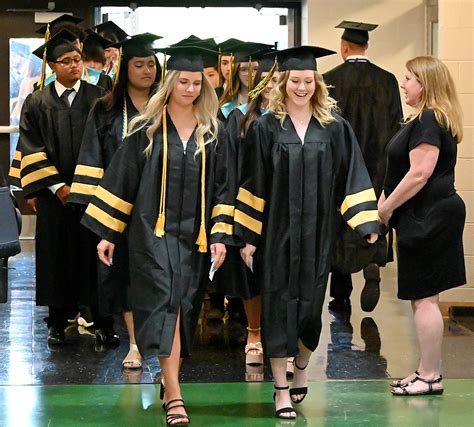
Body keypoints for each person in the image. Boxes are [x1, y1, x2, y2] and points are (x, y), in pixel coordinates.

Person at [81, 45, 234, 425]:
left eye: (197, 82)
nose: (190, 88)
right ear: (170, 82)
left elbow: (223, 188)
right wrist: (108, 233)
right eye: (183, 81)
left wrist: (219, 233)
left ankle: (170, 381)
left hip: (195, 237)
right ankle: (175, 396)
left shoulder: (213, 132)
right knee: (166, 300)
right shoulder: (146, 129)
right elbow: (122, 181)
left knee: (184, 305)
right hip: (152, 232)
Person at [235, 46, 379, 419]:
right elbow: (253, 183)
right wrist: (248, 238)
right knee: (278, 308)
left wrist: (366, 222)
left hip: (318, 235)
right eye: (295, 80)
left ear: (317, 83)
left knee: (311, 312)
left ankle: (300, 368)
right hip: (277, 235)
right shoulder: (266, 128)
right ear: (282, 83)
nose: (302, 87)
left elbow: (352, 174)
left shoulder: (334, 128)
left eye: (308, 80)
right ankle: (280, 389)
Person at [69, 33, 162, 367]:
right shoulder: (106, 109)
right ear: (125, 68)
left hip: (161, 205)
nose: (147, 70)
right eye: (139, 64)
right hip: (119, 206)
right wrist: (102, 215)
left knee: (160, 275)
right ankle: (135, 344)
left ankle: (164, 345)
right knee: (123, 276)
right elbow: (92, 156)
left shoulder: (168, 106)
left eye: (151, 64)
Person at [379, 56, 466, 396]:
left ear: (425, 83)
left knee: (425, 299)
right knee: (423, 298)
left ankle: (429, 376)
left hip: (430, 216)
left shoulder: (429, 119)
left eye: (408, 79)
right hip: (427, 214)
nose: (403, 84)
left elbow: (419, 173)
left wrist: (385, 209)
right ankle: (426, 372)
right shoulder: (425, 119)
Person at [16, 30, 105, 344]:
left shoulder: (98, 98)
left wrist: (86, 186)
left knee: (92, 253)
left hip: (93, 195)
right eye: (65, 61)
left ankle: (99, 319)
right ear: (52, 65)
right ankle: (57, 319)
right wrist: (57, 187)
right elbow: (30, 146)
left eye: (77, 60)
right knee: (56, 254)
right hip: (55, 198)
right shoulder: (37, 101)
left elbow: (107, 145)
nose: (74, 66)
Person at [324, 20, 403, 313]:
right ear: (366, 46)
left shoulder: (329, 79)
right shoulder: (388, 80)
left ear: (343, 47)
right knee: (373, 217)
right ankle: (372, 263)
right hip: (379, 164)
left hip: (343, 166)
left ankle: (340, 294)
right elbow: (398, 127)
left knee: (342, 220)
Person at [216, 53, 279, 367]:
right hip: (246, 203)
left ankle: (278, 335)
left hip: (281, 209)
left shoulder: (287, 119)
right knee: (249, 272)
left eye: (259, 71)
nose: (252, 75)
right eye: (245, 68)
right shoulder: (233, 116)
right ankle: (254, 332)